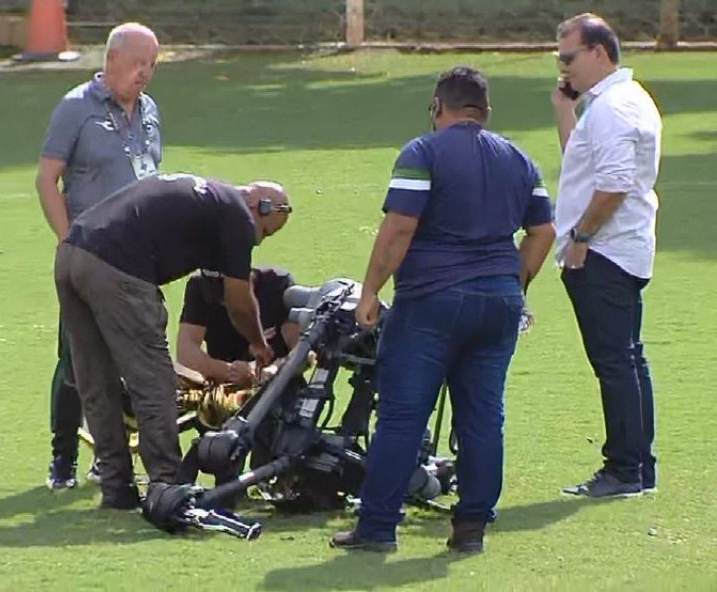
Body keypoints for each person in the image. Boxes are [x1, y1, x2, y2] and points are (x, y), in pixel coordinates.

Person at [330, 66, 555, 554]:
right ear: (486, 111)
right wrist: (513, 284)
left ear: (437, 107)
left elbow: (400, 228)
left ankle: (377, 527)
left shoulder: (423, 152)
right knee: (483, 417)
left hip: (431, 302)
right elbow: (543, 232)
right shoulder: (521, 160)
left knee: (402, 415)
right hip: (498, 304)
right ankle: (471, 528)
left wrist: (370, 291)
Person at [54, 173, 292, 509]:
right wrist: (258, 344)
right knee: (154, 384)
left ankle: (117, 488)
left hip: (70, 253)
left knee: (96, 381)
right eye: (265, 231)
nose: (259, 242)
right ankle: (168, 487)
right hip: (117, 266)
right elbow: (238, 299)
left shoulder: (208, 198)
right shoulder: (238, 214)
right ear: (259, 206)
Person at [35, 22, 162, 490]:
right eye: (137, 63)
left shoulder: (150, 111)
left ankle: (112, 457)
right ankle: (62, 457)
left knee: (133, 360)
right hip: (89, 256)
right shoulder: (76, 109)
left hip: (137, 258)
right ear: (111, 60)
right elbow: (46, 180)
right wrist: (67, 239)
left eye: (152, 65)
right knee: (77, 360)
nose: (144, 73)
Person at [552, 13, 662, 498]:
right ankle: (639, 466)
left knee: (614, 363)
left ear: (599, 52)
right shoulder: (620, 100)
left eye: (569, 58)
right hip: (622, 248)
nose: (563, 69)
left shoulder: (614, 108)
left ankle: (623, 470)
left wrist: (580, 237)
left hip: (604, 252)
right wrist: (565, 110)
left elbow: (614, 184)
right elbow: (582, 164)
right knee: (628, 359)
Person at [176, 266, 299, 388]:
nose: (224, 302)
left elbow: (300, 352)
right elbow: (186, 352)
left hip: (280, 389)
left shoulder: (278, 285)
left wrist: (270, 371)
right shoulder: (199, 287)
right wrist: (232, 372)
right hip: (228, 390)